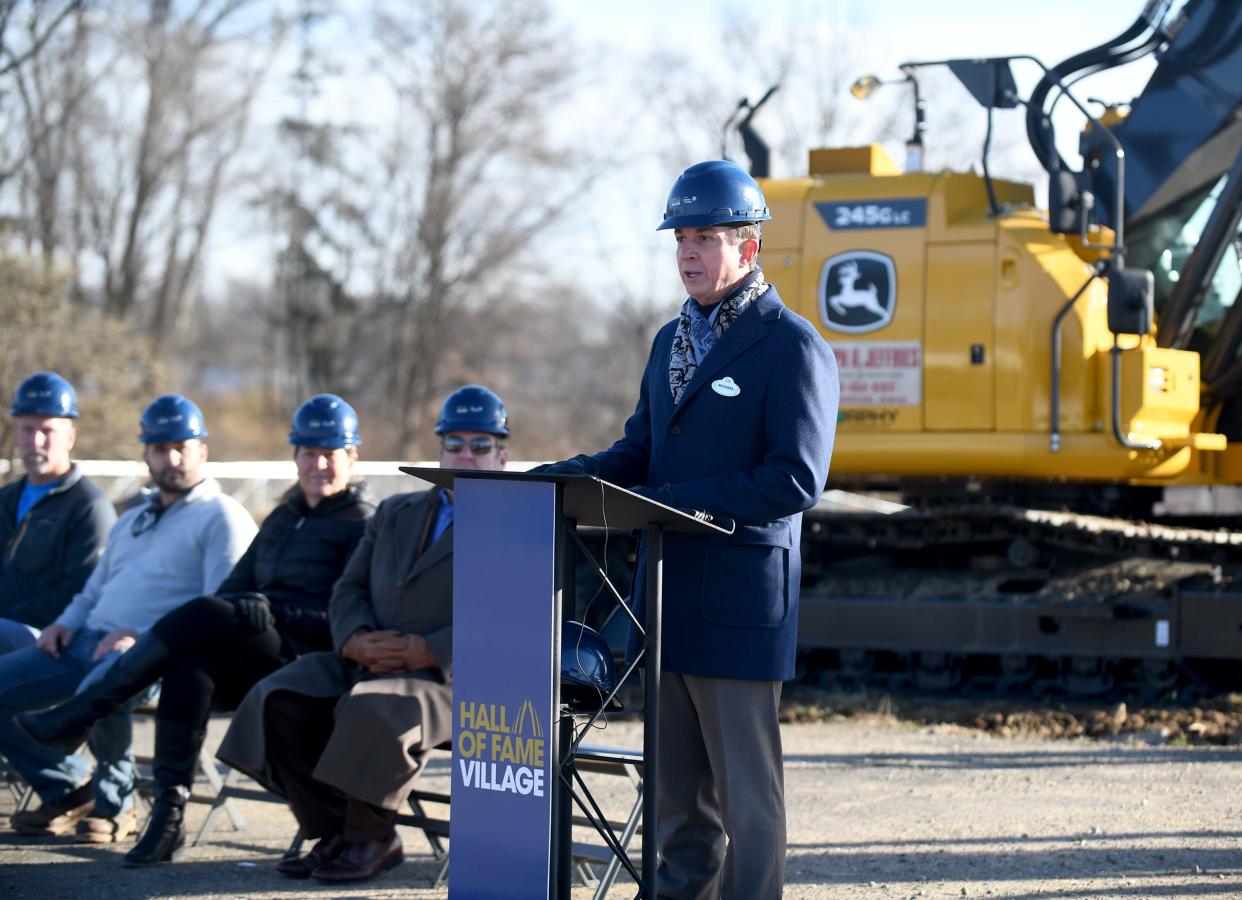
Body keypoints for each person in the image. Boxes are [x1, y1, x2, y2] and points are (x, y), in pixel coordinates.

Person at [536, 160, 839, 898]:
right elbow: (639, 452)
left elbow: (796, 479)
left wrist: (679, 501)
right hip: (664, 605)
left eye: (706, 237)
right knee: (676, 799)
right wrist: (563, 475)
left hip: (739, 606)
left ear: (750, 248)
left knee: (747, 802)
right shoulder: (668, 340)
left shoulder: (792, 348)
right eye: (680, 239)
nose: (689, 253)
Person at [17, 393, 375, 865]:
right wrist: (253, 608)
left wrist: (272, 610)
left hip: (311, 654)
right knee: (191, 665)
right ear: (295, 457)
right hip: (261, 644)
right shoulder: (283, 518)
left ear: (352, 459)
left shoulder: (363, 522)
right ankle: (167, 818)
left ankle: (83, 711)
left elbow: (347, 614)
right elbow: (233, 589)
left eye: (331, 454)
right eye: (309, 453)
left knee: (207, 612)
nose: (319, 465)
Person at [216, 384, 510, 884]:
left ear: (502, 455)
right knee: (279, 695)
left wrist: (430, 649)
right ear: (437, 449)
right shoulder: (396, 512)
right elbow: (348, 587)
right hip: (369, 657)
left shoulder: (520, 521)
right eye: (454, 443)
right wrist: (354, 637)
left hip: (455, 679)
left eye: (480, 445)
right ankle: (335, 830)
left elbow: (512, 616)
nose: (466, 455)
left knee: (374, 706)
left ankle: (369, 836)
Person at [0, 394, 257, 844]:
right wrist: (64, 623)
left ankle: (117, 805)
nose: (171, 458)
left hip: (156, 655)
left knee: (108, 674)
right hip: (81, 641)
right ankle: (65, 787)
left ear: (203, 450)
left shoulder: (222, 517)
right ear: (146, 455)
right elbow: (94, 590)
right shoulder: (133, 518)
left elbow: (221, 604)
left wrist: (143, 638)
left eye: (181, 446)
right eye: (160, 448)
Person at [0, 372, 116, 652]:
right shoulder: (6, 498)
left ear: (70, 438)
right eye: (28, 430)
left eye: (47, 431)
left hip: (49, 638)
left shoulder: (89, 507)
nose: (36, 441)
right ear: (16, 435)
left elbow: (81, 592)